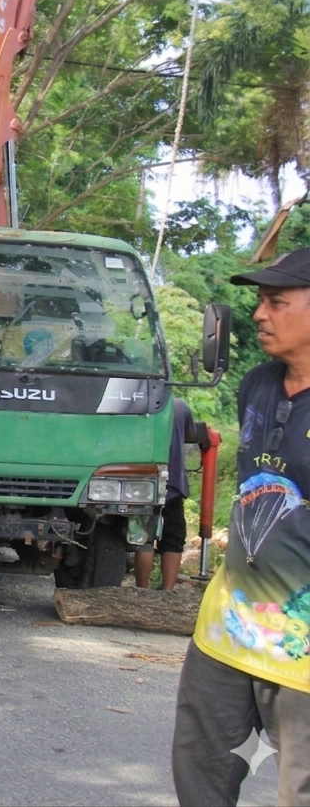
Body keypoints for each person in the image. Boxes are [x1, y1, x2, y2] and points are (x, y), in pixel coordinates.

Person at [172, 247, 310, 807]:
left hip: (303, 652)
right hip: (228, 634)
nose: (259, 314)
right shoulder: (257, 384)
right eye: (259, 301)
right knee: (199, 775)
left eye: (276, 301)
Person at [135, 398, 195, 590]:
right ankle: (168, 590)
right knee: (173, 539)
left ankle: (142, 589)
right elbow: (191, 434)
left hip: (142, 483)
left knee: (144, 538)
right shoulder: (179, 406)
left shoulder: (138, 402)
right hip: (173, 482)